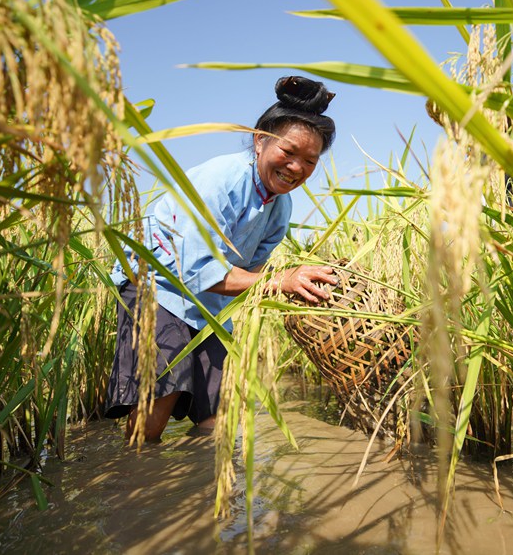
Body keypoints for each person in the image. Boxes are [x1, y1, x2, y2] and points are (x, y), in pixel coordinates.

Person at [105, 76, 339, 442]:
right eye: (288, 152)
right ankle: (134, 478)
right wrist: (282, 281)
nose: (296, 168)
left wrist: (284, 290)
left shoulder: (281, 206)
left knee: (217, 414)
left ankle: (206, 490)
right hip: (158, 286)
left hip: (210, 304)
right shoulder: (222, 179)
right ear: (260, 140)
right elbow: (198, 270)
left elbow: (250, 274)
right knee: (157, 408)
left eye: (310, 161)